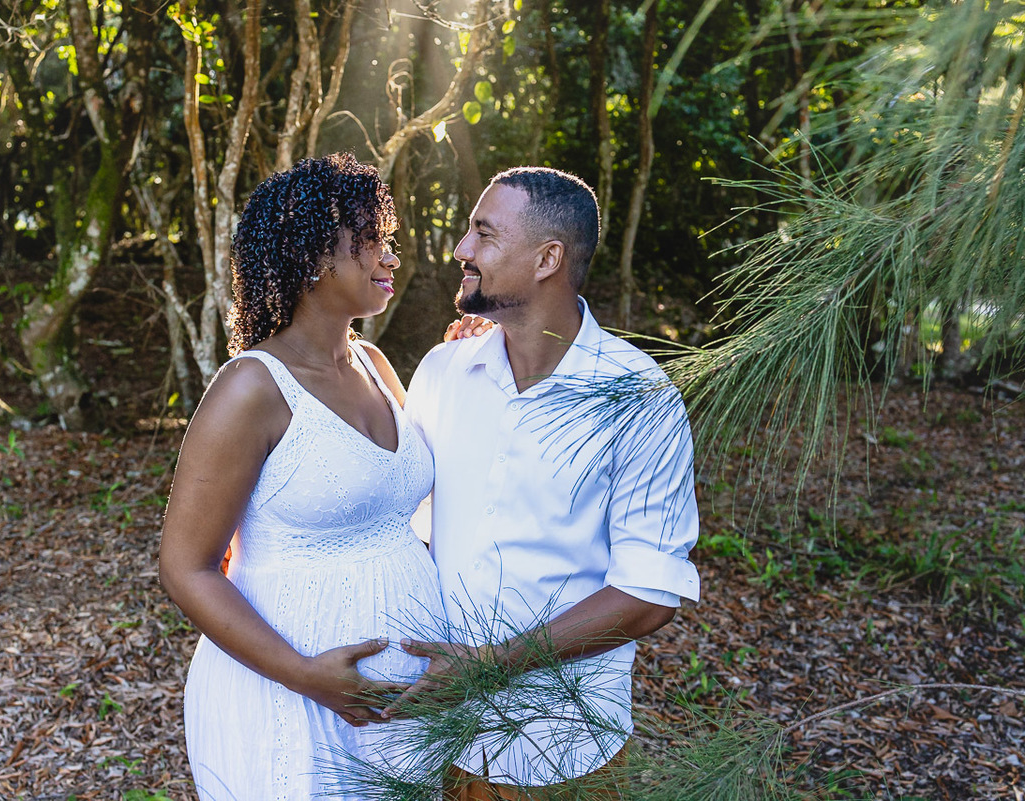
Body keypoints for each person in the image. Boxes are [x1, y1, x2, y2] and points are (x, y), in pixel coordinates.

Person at [395, 167, 701, 798]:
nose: (461, 251)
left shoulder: (640, 398)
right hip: (432, 739)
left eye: (483, 233)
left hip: (560, 751)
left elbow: (648, 594)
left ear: (547, 259)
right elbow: (410, 524)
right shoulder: (443, 371)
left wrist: (489, 667)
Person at [159, 153, 455, 800]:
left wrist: (480, 346)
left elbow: (413, 502)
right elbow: (185, 567)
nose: (391, 258)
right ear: (316, 254)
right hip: (291, 702)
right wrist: (305, 673)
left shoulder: (375, 364)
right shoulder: (250, 388)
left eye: (389, 240)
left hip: (399, 716)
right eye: (372, 240)